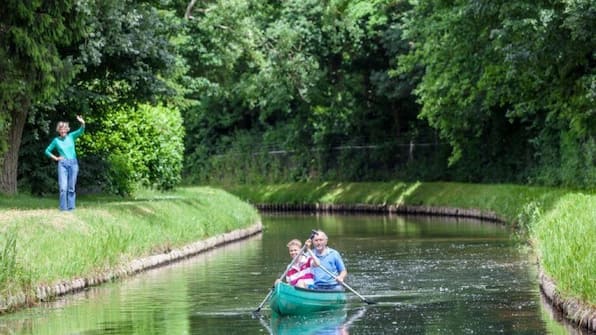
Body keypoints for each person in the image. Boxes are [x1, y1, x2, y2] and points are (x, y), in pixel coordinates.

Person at [44, 115, 85, 211]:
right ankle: (63, 208)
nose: (62, 131)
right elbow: (47, 151)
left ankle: (71, 208)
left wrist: (82, 122)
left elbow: (81, 131)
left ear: (67, 130)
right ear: (58, 130)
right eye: (60, 130)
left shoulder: (71, 136)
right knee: (63, 188)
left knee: (71, 187)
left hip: (73, 163)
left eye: (64, 129)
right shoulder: (56, 140)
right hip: (62, 164)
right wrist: (56, 158)